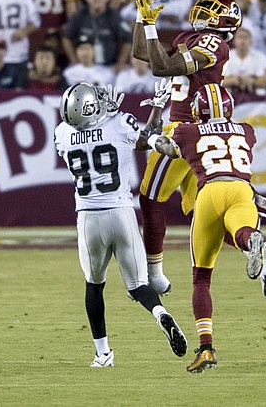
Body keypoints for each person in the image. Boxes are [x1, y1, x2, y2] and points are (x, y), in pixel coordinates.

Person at [148, 83, 266, 373]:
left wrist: (155, 130)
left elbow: (165, 148)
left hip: (209, 192)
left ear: (198, 109)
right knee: (240, 232)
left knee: (201, 277)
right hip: (242, 190)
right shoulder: (246, 130)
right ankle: (255, 244)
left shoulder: (188, 131)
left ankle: (206, 348)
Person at [54, 81, 187, 368]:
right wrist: (156, 109)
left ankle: (103, 354)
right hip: (120, 214)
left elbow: (91, 135)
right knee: (139, 285)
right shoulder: (119, 123)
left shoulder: (62, 134)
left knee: (94, 285)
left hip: (88, 219)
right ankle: (159, 313)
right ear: (91, 106)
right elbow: (148, 140)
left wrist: (106, 118)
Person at [132, 0, 241, 294]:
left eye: (211, 10)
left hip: (183, 130)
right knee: (200, 212)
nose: (202, 11)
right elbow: (144, 53)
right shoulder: (192, 37)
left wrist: (152, 25)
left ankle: (154, 275)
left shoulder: (213, 44)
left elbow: (163, 69)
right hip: (195, 132)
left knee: (151, 197)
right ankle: (251, 243)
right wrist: (142, 16)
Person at [62, 0, 130, 72]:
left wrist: (120, 64)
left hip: (109, 67)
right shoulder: (80, 14)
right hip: (84, 67)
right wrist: (74, 61)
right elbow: (66, 37)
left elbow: (128, 39)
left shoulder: (114, 16)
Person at [223, 25, 266, 95]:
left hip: (253, 92)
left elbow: (264, 82)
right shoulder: (226, 56)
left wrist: (252, 81)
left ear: (251, 40)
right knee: (225, 90)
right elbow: (220, 81)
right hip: (232, 91)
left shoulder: (260, 56)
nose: (242, 41)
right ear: (234, 41)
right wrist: (234, 80)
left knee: (261, 91)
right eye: (240, 37)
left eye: (245, 37)